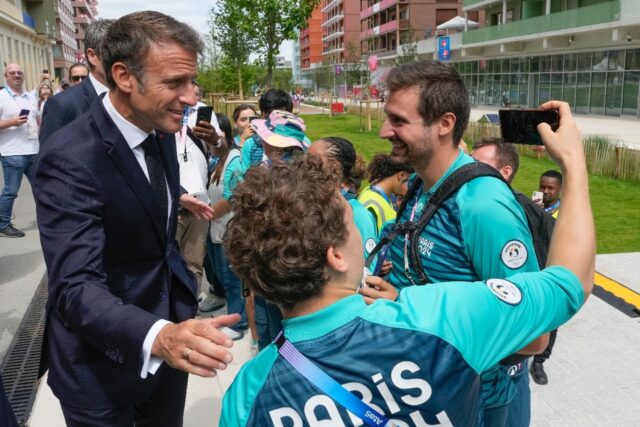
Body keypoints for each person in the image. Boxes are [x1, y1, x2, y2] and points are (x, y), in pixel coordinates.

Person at [219, 101, 595, 425]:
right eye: (349, 218)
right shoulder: (439, 317)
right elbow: (568, 282)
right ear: (334, 255)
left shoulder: (247, 393)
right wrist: (574, 165)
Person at [33, 11, 239, 425]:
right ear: (125, 77)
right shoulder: (69, 158)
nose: (190, 97)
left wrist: (177, 199)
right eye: (174, 83)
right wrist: (157, 337)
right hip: (102, 365)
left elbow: (139, 196)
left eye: (191, 82)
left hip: (169, 341)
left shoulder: (159, 128)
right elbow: (74, 287)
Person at [378, 61, 542, 426]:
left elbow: (532, 335)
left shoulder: (483, 204)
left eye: (398, 121)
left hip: (472, 404)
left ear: (445, 123)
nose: (382, 131)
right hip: (423, 391)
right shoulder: (422, 184)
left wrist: (403, 306)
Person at [471, 137, 557, 421]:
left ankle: (538, 363)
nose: (467, 170)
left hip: (510, 357)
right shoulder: (470, 206)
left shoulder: (519, 211)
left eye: (477, 164)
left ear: (505, 171)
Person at [206, 112, 247, 341]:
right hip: (215, 226)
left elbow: (231, 196)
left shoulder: (234, 159)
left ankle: (238, 322)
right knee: (221, 274)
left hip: (226, 227)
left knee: (232, 278)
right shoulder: (217, 160)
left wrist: (206, 214)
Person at [40, 19, 114, 144]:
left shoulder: (133, 95)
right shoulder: (62, 104)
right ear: (92, 56)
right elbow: (50, 158)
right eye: (115, 52)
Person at [308, 137, 378, 261]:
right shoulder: (305, 205)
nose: (303, 166)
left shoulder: (358, 215)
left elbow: (369, 266)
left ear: (335, 169)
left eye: (312, 162)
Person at [0, 63, 39, 238]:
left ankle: (49, 217)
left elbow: (37, 120)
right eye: (12, 73)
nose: (17, 75)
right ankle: (3, 223)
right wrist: (11, 122)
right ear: (5, 76)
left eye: (19, 73)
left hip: (34, 149)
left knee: (42, 187)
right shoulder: (1, 96)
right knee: (10, 191)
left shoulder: (29, 96)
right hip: (12, 152)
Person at [358, 153, 412, 232]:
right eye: (409, 180)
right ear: (401, 175)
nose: (409, 185)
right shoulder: (372, 204)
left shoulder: (376, 193)